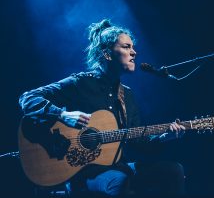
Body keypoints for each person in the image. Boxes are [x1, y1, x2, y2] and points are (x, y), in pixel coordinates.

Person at [19, 19, 186, 197]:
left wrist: (163, 137)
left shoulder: (126, 96)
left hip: (118, 167)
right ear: (107, 54)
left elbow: (139, 142)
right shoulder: (80, 83)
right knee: (120, 181)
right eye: (126, 47)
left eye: (133, 47)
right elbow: (27, 98)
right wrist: (62, 114)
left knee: (174, 170)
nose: (134, 52)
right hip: (82, 172)